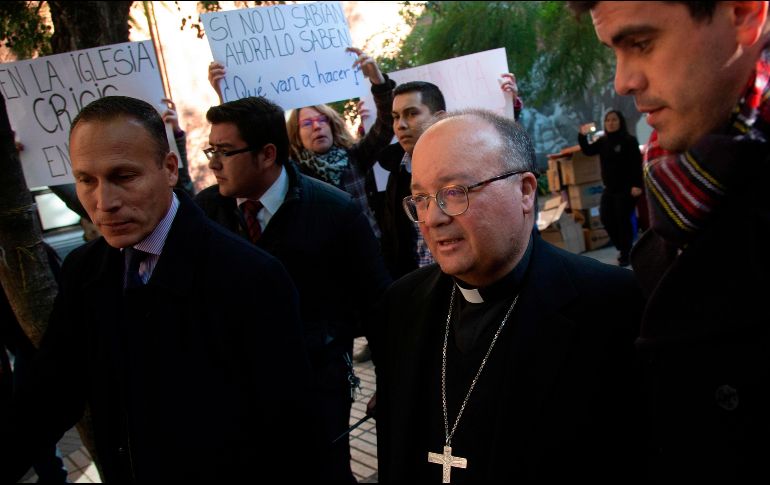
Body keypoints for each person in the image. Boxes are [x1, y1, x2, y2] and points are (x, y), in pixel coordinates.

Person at [0, 96, 320, 482]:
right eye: (86, 180)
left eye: (123, 177)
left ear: (169, 168)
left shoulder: (250, 276)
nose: (104, 202)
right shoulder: (84, 270)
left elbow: (290, 433)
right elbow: (49, 394)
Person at [372, 109, 645, 482]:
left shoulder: (612, 305)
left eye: (454, 192)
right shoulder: (400, 305)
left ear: (525, 191)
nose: (432, 218)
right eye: (420, 198)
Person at [569, 1, 770, 481]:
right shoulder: (681, 171)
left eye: (641, 43)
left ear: (744, 15)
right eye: (614, 51)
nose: (622, 82)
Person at [194, 96, 392, 483]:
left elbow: (378, 304)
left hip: (317, 389)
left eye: (225, 151)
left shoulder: (335, 212)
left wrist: (390, 382)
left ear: (267, 154)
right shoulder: (204, 213)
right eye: (210, 150)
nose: (213, 163)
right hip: (237, 394)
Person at [209, 47, 394, 238]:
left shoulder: (356, 157)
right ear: (296, 135)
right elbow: (252, 136)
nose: (317, 127)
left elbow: (387, 123)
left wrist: (378, 81)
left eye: (322, 120)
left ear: (332, 126)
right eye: (307, 123)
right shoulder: (291, 175)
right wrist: (226, 96)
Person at [577, 109, 643, 266]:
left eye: (614, 120)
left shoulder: (629, 140)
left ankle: (626, 253)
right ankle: (623, 247)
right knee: (606, 217)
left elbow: (636, 164)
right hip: (610, 188)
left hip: (627, 189)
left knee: (622, 219)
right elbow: (588, 150)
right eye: (608, 120)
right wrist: (582, 135)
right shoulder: (603, 141)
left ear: (620, 122)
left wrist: (637, 185)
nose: (611, 123)